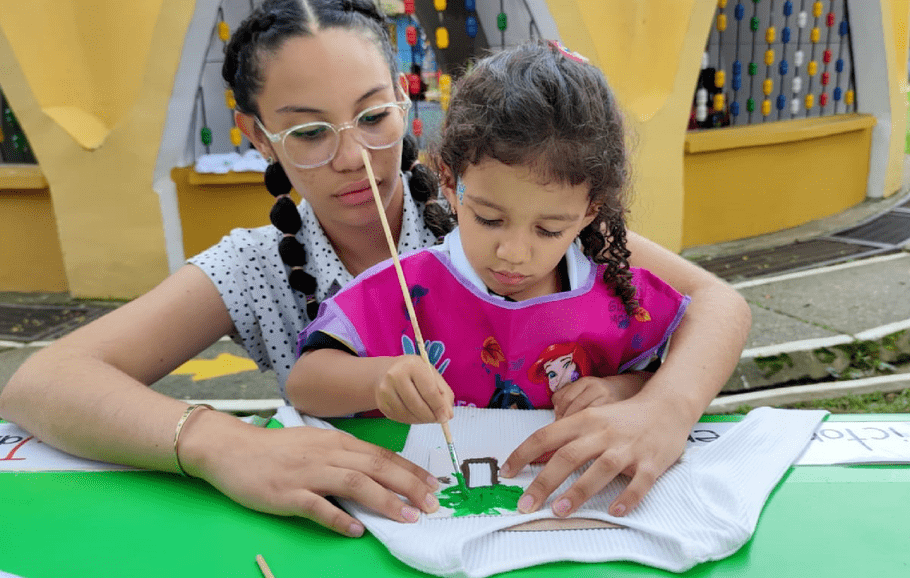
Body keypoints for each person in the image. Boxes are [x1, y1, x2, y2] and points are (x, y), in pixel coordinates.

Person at [0, 0, 750, 535]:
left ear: (405, 99)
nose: (354, 156)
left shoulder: (492, 209)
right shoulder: (257, 266)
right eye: (308, 132)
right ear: (258, 138)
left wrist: (660, 407)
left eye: (371, 115)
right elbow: (41, 384)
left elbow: (715, 305)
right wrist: (224, 445)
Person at [286, 42, 690, 444]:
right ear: (448, 180)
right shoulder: (407, 289)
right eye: (489, 218)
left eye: (549, 229)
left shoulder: (615, 296)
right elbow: (303, 383)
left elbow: (652, 375)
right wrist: (375, 380)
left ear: (590, 211)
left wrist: (622, 390)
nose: (513, 253)